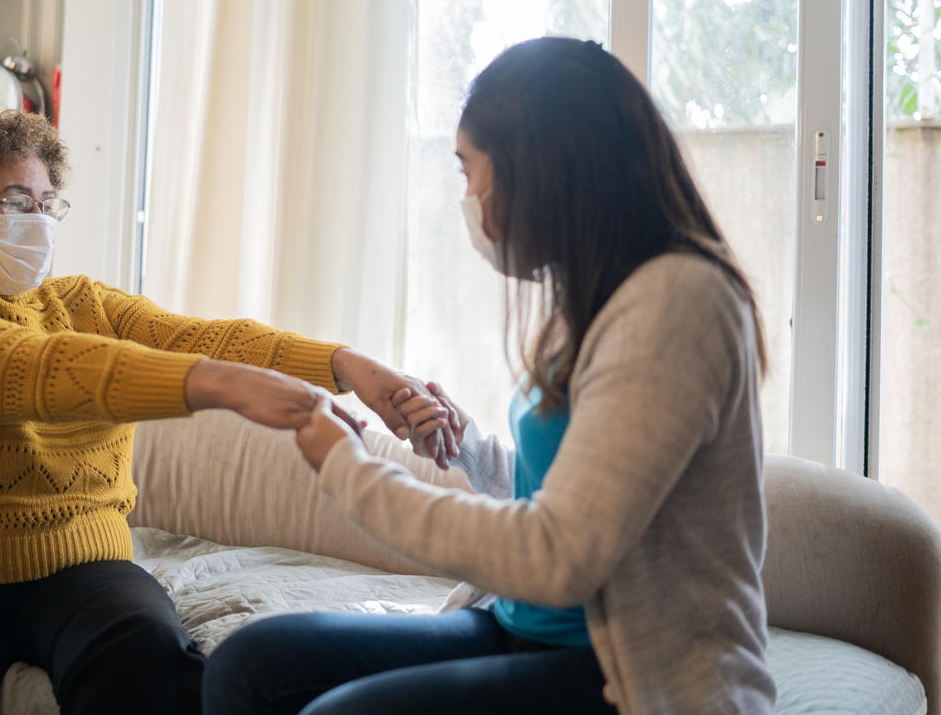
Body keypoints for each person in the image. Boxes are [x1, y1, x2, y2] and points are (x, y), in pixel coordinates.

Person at [203, 37, 776, 715]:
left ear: (538, 171)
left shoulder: (677, 303)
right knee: (251, 664)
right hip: (520, 629)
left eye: (469, 170)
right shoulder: (593, 295)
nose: (469, 197)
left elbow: (560, 554)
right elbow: (567, 491)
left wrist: (351, 471)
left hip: (628, 676)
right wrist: (468, 446)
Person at [0, 110, 449, 715]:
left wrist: (347, 365)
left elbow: (208, 338)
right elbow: (28, 368)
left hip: (83, 565)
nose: (37, 221)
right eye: (15, 202)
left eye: (47, 205)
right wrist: (222, 387)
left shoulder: (85, 302)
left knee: (151, 671)